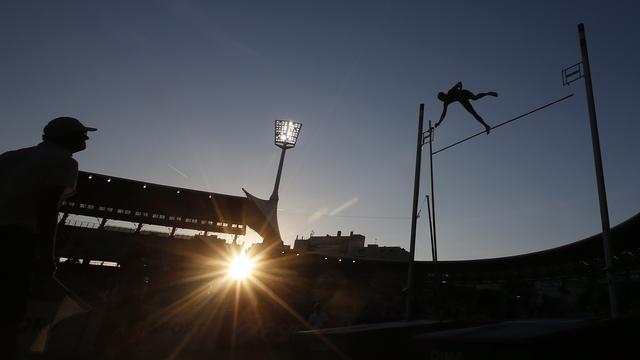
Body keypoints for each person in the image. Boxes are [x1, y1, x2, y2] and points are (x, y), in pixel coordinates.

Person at [0, 116, 96, 357]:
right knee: (9, 311)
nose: (86, 138)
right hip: (17, 241)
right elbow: (47, 207)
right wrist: (45, 254)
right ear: (65, 137)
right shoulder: (64, 162)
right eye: (81, 133)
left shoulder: (9, 157)